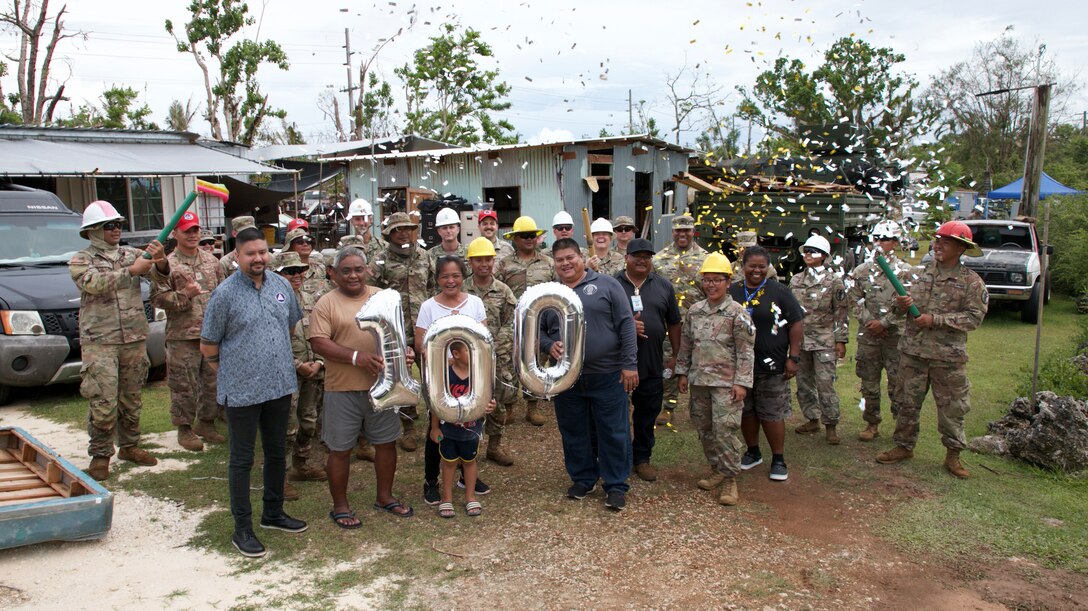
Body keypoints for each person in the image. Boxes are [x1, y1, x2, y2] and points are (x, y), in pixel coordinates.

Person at [200, 227, 308, 559]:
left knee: (277, 452)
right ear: (237, 256)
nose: (259, 258)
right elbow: (208, 345)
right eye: (251, 253)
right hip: (242, 391)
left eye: (263, 252)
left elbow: (288, 326)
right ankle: (242, 528)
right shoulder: (224, 294)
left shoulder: (281, 286)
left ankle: (273, 513)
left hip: (278, 385)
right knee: (242, 460)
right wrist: (232, 372)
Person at [310, 246, 415, 529]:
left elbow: (395, 333)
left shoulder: (382, 298)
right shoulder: (326, 303)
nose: (353, 275)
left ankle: (384, 496)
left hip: (383, 386)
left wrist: (404, 354)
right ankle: (340, 506)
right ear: (333, 274)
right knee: (340, 449)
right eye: (346, 270)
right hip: (342, 388)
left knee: (386, 444)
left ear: (368, 269)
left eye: (358, 269)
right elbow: (318, 342)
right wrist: (357, 357)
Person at [876, 221, 988, 478]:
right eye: (937, 241)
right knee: (906, 402)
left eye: (945, 242)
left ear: (961, 248)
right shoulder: (917, 275)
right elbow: (894, 310)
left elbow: (973, 319)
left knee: (952, 407)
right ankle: (903, 446)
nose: (937, 246)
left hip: (947, 358)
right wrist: (900, 306)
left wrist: (935, 319)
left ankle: (953, 455)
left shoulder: (972, 283)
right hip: (913, 353)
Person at [69, 200, 166, 481]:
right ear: (93, 231)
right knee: (102, 401)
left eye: (119, 225)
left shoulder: (132, 253)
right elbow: (93, 284)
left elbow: (160, 277)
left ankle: (130, 446)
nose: (116, 230)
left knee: (131, 397)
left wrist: (160, 260)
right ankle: (100, 454)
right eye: (109, 225)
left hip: (134, 338)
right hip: (101, 341)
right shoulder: (80, 259)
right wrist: (131, 272)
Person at [541, 238, 638, 512]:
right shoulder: (549, 293)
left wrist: (630, 365)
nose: (566, 263)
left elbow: (626, 325)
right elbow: (536, 330)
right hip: (566, 378)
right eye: (560, 260)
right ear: (554, 263)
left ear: (582, 257)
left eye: (570, 257)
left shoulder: (608, 285)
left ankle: (616, 485)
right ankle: (583, 478)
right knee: (573, 431)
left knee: (613, 430)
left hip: (607, 374)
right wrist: (549, 345)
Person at [676, 253, 755, 506]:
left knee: (725, 431)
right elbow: (686, 345)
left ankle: (730, 478)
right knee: (705, 429)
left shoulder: (737, 314)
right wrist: (682, 373)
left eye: (716, 280)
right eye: (707, 280)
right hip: (699, 382)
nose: (711, 285)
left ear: (728, 281)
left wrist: (742, 383)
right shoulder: (695, 312)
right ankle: (716, 469)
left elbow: (746, 352)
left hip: (726, 385)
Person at [415, 255, 490, 506]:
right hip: (440, 377)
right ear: (437, 279)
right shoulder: (429, 307)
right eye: (445, 276)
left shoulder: (475, 303)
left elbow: (483, 340)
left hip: (472, 375)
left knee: (470, 423)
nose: (450, 281)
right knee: (437, 427)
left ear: (463, 277)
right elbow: (420, 343)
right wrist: (443, 361)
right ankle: (431, 481)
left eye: (455, 275)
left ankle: (465, 476)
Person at [151, 210, 226, 453]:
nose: (193, 235)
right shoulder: (166, 265)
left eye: (196, 229)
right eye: (187, 231)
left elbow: (224, 294)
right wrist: (186, 295)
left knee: (211, 381)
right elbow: (157, 299)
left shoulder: (212, 261)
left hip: (211, 334)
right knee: (184, 384)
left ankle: (206, 422)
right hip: (183, 336)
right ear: (175, 234)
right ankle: (184, 428)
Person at [729, 245, 804, 482]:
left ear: (768, 267)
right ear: (743, 267)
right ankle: (753, 452)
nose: (757, 270)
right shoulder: (732, 291)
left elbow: (796, 323)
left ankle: (778, 459)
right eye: (752, 266)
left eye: (762, 266)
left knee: (772, 413)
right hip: (740, 365)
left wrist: (793, 357)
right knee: (747, 410)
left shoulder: (779, 291)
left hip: (772, 364)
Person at [614, 238, 681, 482]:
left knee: (647, 414)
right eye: (637, 256)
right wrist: (626, 326)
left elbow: (674, 322)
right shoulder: (611, 284)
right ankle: (618, 458)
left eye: (647, 256)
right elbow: (599, 321)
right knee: (616, 414)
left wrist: (675, 355)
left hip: (652, 363)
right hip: (618, 364)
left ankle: (642, 458)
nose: (642, 260)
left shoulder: (663, 286)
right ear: (626, 258)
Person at [368, 211, 430, 451]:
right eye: (397, 229)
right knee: (403, 380)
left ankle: (437, 420)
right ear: (389, 234)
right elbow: (369, 291)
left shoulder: (424, 257)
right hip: (396, 330)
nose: (404, 232)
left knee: (431, 376)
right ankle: (409, 427)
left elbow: (433, 286)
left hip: (424, 327)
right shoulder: (380, 259)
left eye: (407, 228)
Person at [847, 221, 911, 441]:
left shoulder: (904, 272)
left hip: (895, 336)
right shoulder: (861, 271)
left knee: (898, 384)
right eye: (875, 239)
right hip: (869, 336)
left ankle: (900, 428)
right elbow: (854, 299)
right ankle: (871, 423)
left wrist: (885, 323)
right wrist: (870, 323)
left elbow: (908, 304)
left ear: (895, 242)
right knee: (869, 383)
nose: (878, 244)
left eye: (883, 239)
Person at [463, 237, 519, 466]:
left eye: (488, 259)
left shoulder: (503, 290)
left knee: (495, 402)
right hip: (467, 356)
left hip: (497, 355)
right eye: (478, 260)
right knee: (468, 400)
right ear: (471, 263)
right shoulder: (462, 288)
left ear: (493, 261)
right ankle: (467, 448)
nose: (484, 264)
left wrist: (496, 344)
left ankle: (494, 447)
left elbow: (512, 321)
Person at [496, 216, 556, 426]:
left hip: (539, 325)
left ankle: (533, 407)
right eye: (524, 236)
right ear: (515, 238)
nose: (529, 239)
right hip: (512, 324)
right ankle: (510, 408)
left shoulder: (548, 263)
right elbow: (497, 290)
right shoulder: (504, 264)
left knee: (536, 365)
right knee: (509, 365)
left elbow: (557, 292)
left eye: (532, 236)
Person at [789, 234, 849, 445]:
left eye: (813, 252)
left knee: (825, 384)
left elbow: (841, 313)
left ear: (824, 256)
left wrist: (841, 340)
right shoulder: (796, 279)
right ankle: (812, 419)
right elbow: (791, 312)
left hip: (824, 341)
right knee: (804, 383)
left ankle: (831, 425)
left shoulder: (834, 281)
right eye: (806, 251)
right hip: (801, 341)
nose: (808, 255)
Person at [276, 252, 328, 487]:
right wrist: (297, 365)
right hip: (285, 374)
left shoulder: (310, 299)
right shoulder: (272, 302)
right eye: (289, 272)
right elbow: (271, 342)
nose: (297, 275)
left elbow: (322, 331)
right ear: (277, 274)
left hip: (313, 371)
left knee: (309, 420)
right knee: (286, 426)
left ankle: (301, 464)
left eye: (299, 271)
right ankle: (280, 475)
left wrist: (318, 361)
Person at [652, 214, 708, 425]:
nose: (682, 234)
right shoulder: (659, 259)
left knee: (701, 365)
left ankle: (700, 408)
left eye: (687, 230)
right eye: (678, 230)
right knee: (669, 365)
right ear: (673, 232)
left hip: (699, 323)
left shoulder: (705, 258)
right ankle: (668, 406)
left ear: (693, 231)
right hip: (669, 323)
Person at [430, 341, 496, 518]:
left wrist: (490, 406)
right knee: (449, 463)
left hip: (471, 429)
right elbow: (437, 404)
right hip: (448, 430)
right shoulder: (444, 376)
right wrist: (435, 427)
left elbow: (488, 399)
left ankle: (470, 496)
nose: (474, 353)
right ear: (456, 354)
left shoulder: (479, 375)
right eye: (468, 350)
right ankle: (447, 498)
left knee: (470, 461)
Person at [281, 227, 330, 298]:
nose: (305, 244)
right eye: (300, 242)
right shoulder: (282, 270)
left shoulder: (320, 268)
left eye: (309, 242)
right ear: (290, 246)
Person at [428, 207, 468, 289]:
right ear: (439, 231)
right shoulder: (429, 255)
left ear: (458, 229)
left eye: (451, 227)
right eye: (444, 228)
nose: (448, 231)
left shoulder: (469, 253)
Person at [346, 198, 382, 265]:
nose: (362, 223)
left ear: (371, 220)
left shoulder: (383, 246)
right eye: (357, 219)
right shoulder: (345, 247)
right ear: (351, 221)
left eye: (364, 218)